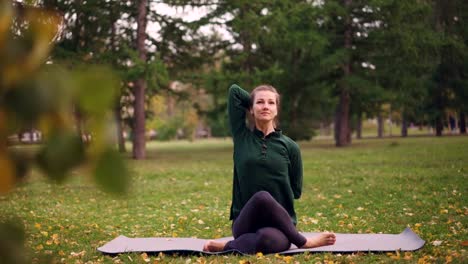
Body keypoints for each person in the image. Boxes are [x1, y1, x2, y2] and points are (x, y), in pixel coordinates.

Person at [203, 84, 336, 254]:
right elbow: (234, 92)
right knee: (262, 197)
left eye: (271, 103)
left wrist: (256, 104)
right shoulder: (242, 138)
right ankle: (304, 242)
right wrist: (251, 102)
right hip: (245, 221)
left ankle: (226, 246)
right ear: (251, 109)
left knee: (267, 241)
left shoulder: (290, 147)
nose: (265, 106)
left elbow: (296, 191)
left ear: (277, 110)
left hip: (279, 225)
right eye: (260, 102)